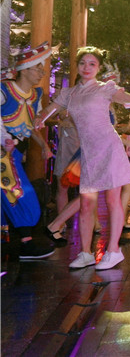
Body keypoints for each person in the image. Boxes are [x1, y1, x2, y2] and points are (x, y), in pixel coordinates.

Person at [35, 47, 130, 270]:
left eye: (92, 64)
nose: (86, 68)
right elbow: (48, 111)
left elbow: (129, 99)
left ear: (98, 68)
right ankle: (86, 253)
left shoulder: (105, 88)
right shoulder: (69, 93)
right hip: (88, 152)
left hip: (109, 148)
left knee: (112, 199)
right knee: (87, 204)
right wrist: (39, 118)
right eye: (82, 63)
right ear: (77, 66)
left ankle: (113, 250)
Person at [1, 42, 55, 260]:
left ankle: (13, 242)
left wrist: (43, 145)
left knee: (8, 193)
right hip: (3, 151)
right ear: (24, 70)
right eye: (38, 69)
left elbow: (32, 126)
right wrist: (4, 139)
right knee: (20, 192)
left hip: (14, 151)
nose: (42, 73)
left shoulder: (35, 95)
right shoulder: (4, 90)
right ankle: (26, 243)